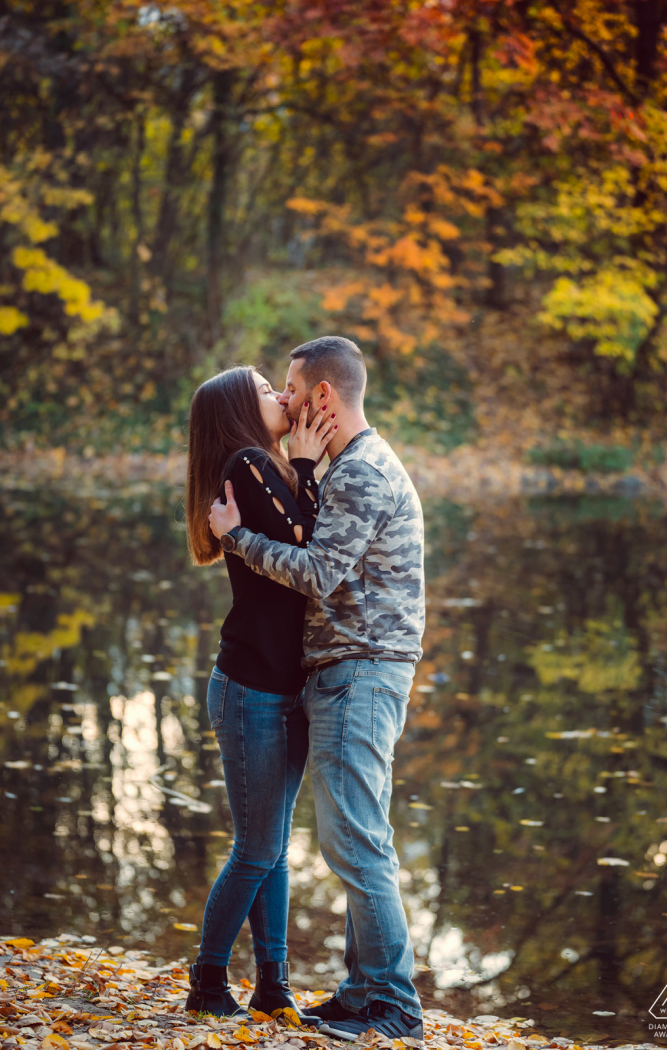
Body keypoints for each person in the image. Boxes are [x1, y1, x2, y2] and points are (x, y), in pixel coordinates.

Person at [208, 336, 426, 1041]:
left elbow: (316, 573)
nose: (288, 402)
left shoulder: (361, 472)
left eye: (294, 390)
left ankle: (393, 1005)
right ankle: (364, 992)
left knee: (356, 842)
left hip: (362, 670)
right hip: (350, 669)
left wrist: (238, 539)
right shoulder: (350, 466)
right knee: (360, 837)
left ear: (322, 397)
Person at [184, 365, 335, 1020]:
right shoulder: (247, 461)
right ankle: (207, 980)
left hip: (278, 687)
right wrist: (305, 468)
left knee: (272, 846)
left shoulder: (260, 463)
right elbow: (309, 545)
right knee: (258, 848)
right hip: (250, 686)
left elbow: (308, 543)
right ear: (239, 409)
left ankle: (272, 984)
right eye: (265, 387)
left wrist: (301, 467)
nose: (281, 394)